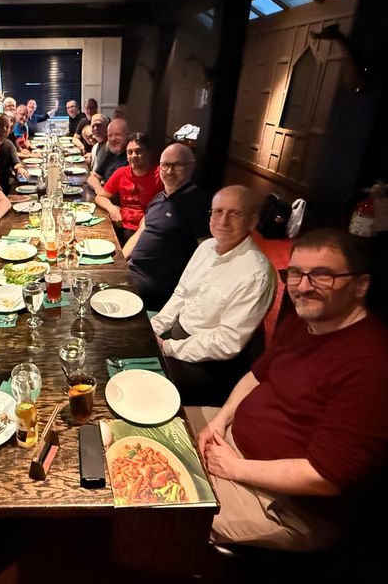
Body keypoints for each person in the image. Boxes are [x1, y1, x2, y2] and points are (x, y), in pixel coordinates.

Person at [189, 228, 388, 551]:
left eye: (322, 275)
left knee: (156, 509)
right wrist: (220, 420)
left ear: (361, 285)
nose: (303, 286)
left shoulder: (377, 369)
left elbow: (324, 478)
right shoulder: (304, 322)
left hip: (283, 504)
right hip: (231, 446)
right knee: (148, 432)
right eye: (296, 274)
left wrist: (234, 467)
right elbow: (256, 376)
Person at [151, 186, 275, 404]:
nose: (223, 221)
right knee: (127, 343)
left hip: (210, 364)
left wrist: (167, 347)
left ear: (252, 221)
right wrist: (155, 327)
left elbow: (227, 342)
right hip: (178, 334)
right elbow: (181, 294)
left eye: (234, 213)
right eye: (217, 212)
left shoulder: (257, 273)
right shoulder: (206, 246)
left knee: (145, 383)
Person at [125, 143, 210, 310]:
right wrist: (118, 262)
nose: (169, 171)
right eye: (165, 165)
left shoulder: (199, 203)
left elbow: (206, 254)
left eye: (177, 165)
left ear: (191, 166)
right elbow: (140, 233)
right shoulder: (159, 198)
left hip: (153, 287)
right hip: (131, 272)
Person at [93, 133, 163, 245]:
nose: (133, 156)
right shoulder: (121, 173)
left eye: (138, 151)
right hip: (121, 227)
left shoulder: (160, 175)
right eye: (130, 152)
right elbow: (100, 197)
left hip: (147, 231)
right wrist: (112, 209)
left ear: (149, 153)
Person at [86, 117, 128, 191]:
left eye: (117, 135)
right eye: (110, 135)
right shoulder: (111, 153)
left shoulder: (130, 157)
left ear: (127, 135)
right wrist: (99, 190)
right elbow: (92, 178)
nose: (113, 139)